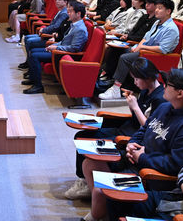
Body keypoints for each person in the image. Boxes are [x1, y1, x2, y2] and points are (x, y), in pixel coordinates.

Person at [82, 69, 183, 221]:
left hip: (152, 174)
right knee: (90, 163)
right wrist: (132, 142)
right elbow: (144, 129)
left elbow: (176, 165)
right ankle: (102, 210)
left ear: (180, 93)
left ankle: (99, 212)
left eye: (167, 85)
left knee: (101, 190)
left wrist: (142, 157)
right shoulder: (165, 107)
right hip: (138, 159)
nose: (163, 86)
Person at [64, 58, 166, 200]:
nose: (135, 82)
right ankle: (84, 179)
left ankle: (87, 184)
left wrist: (135, 107)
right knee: (82, 135)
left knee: (88, 141)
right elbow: (136, 117)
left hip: (133, 136)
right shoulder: (145, 90)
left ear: (148, 77)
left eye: (137, 79)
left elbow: (150, 129)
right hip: (126, 128)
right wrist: (133, 106)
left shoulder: (161, 99)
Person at [99, 0, 180, 100]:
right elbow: (146, 37)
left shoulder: (171, 28)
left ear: (168, 11)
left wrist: (142, 48)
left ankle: (115, 88)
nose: (156, 10)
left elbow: (163, 49)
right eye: (157, 8)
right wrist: (138, 47)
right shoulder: (157, 23)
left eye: (160, 8)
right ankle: (109, 80)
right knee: (116, 49)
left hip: (156, 56)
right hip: (144, 51)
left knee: (125, 58)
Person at [22, 0, 88, 94]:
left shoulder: (80, 29)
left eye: (71, 11)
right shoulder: (74, 25)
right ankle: (33, 79)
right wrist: (55, 45)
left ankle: (38, 86)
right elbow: (64, 40)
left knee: (35, 55)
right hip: (59, 50)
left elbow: (74, 48)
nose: (68, 13)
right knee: (33, 51)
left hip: (64, 55)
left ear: (78, 13)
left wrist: (56, 48)